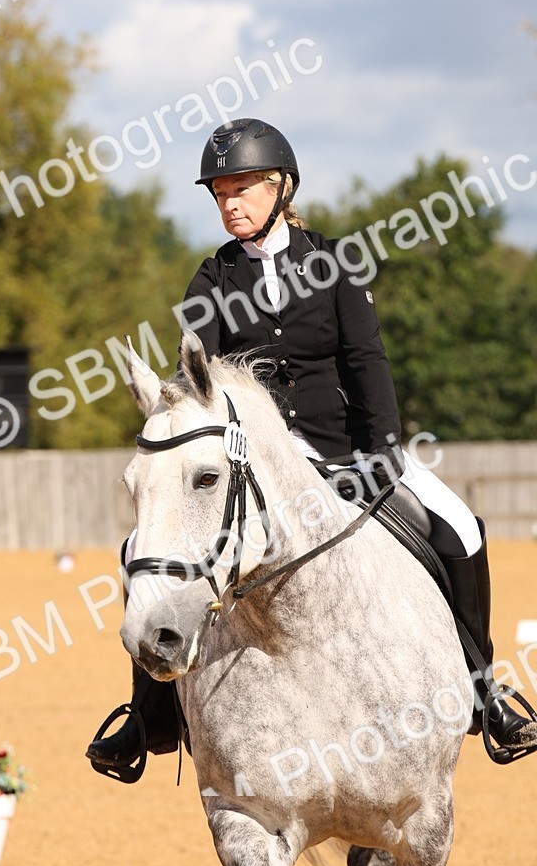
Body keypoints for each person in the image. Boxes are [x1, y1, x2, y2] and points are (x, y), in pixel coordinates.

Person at [86, 118, 537, 778]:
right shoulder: (212, 278)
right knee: (141, 553)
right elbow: (200, 378)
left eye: (242, 188)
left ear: (282, 187)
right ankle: (146, 717)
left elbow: (366, 359)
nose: (230, 203)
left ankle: (482, 691)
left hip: (348, 450)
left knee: (462, 528)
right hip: (259, 468)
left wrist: (382, 448)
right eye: (219, 194)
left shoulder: (335, 263)